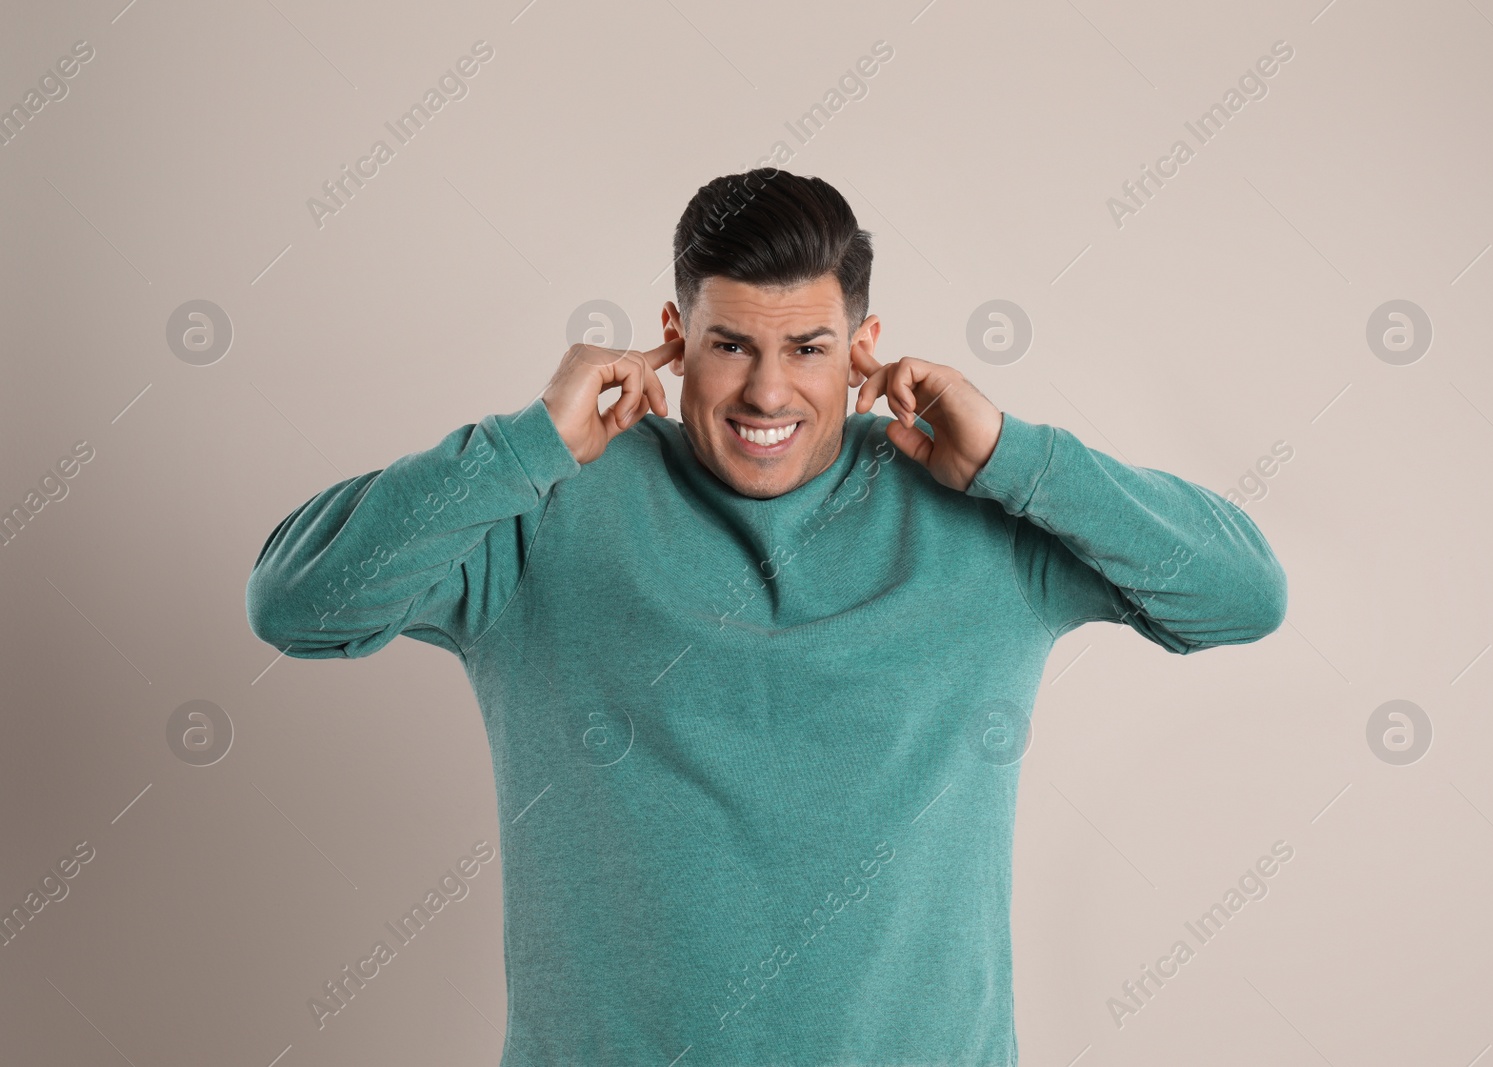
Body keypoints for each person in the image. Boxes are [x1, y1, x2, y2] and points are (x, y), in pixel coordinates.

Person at [245, 169, 1288, 1067]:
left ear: (866, 345)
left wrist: (1016, 456)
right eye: (731, 344)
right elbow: (299, 605)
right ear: (672, 338)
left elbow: (1240, 596)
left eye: (809, 346)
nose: (767, 389)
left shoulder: (978, 512)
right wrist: (526, 445)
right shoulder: (549, 507)